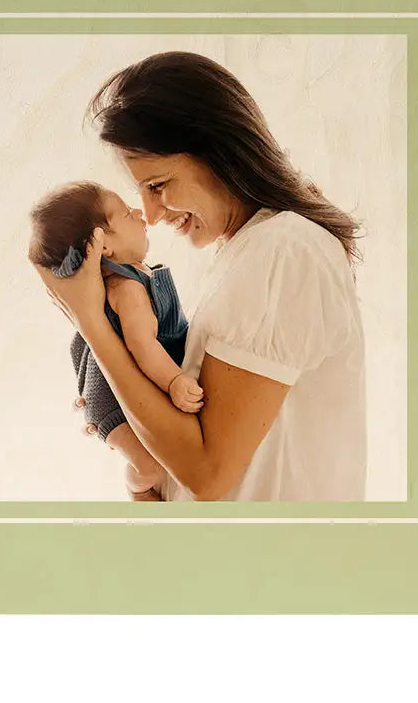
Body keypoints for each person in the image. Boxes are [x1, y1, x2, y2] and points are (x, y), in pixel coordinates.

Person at [34, 51, 367, 501]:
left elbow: (207, 475)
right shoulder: (246, 253)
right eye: (140, 192)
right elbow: (195, 460)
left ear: (217, 151)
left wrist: (91, 323)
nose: (150, 214)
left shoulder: (284, 250)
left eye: (158, 185)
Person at [28, 180, 203, 499]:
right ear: (102, 245)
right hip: (110, 403)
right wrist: (175, 380)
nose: (138, 212)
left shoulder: (136, 276)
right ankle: (136, 487)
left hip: (119, 385)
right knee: (152, 466)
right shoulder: (127, 289)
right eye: (125, 213)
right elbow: (143, 346)